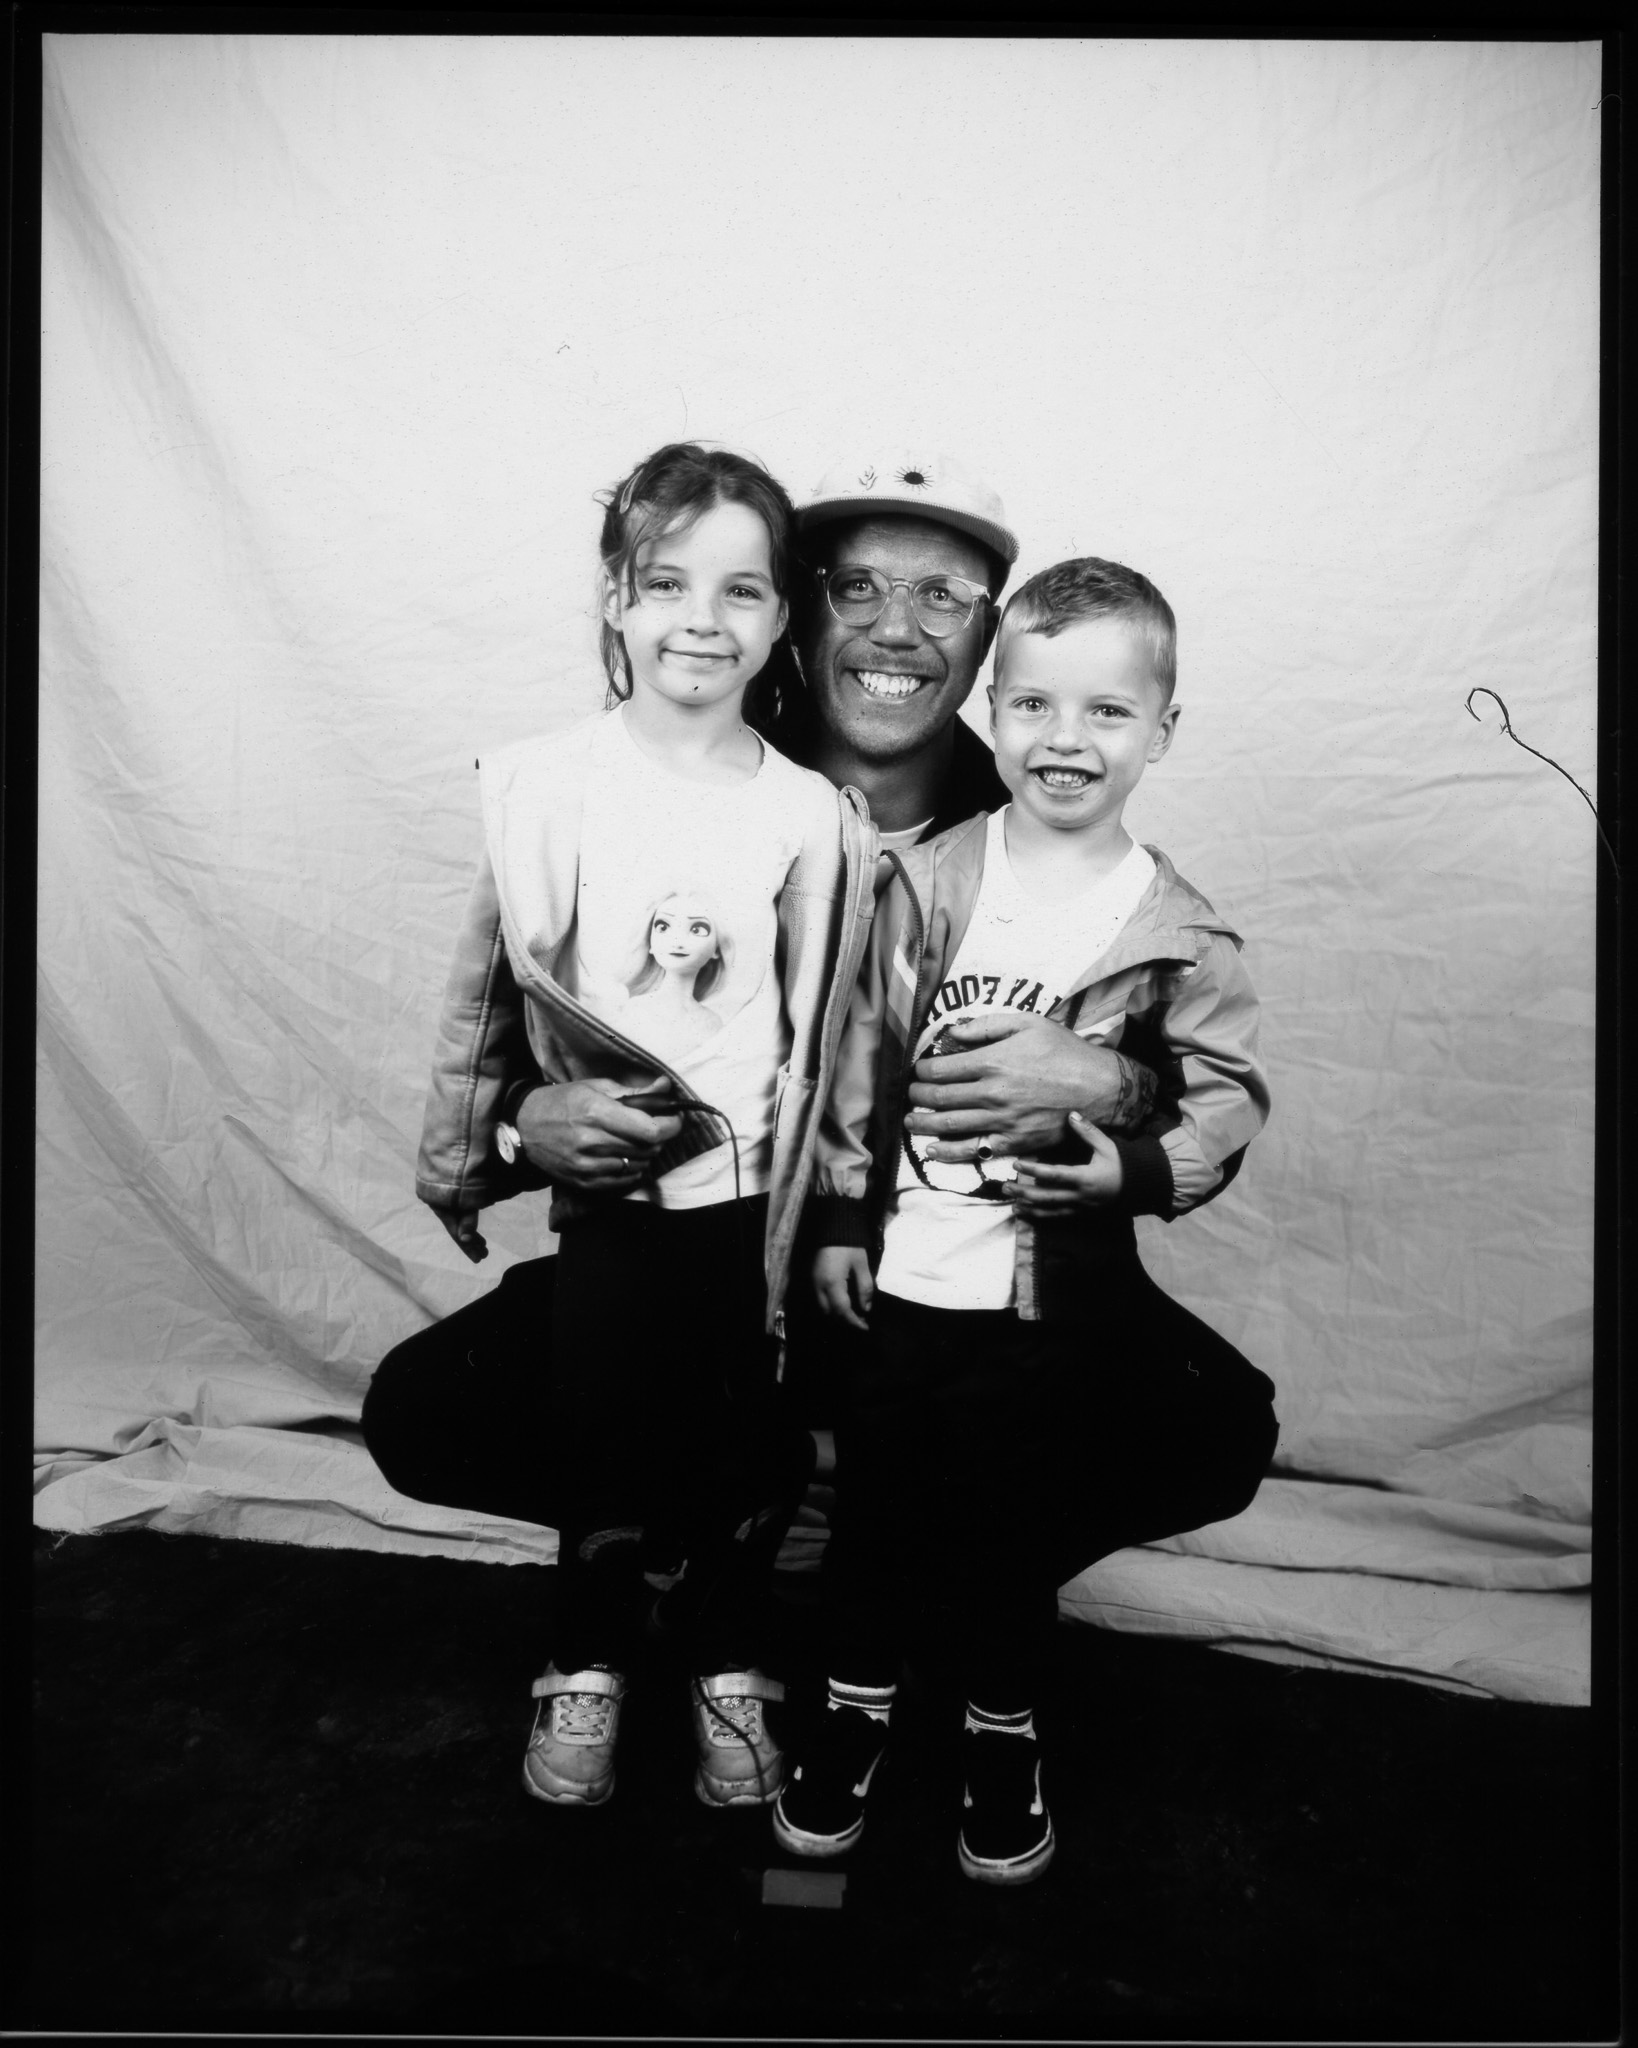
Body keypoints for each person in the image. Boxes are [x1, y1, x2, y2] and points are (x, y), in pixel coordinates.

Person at [360, 453, 1167, 1770]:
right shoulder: (702, 774)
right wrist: (525, 1118)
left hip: (943, 1266)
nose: (897, 628)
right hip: (698, 1242)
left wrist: (1116, 1084)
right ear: (798, 610)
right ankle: (686, 1540)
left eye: (944, 596)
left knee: (1196, 1423)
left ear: (988, 639)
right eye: (856, 586)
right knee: (428, 1407)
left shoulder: (1034, 800)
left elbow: (1165, 1039)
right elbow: (510, 1010)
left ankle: (921, 1551)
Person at [771, 557, 1278, 1885]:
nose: (1067, 740)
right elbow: (858, 1060)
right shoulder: (928, 881)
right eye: (1037, 706)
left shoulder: (1179, 936)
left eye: (1107, 712)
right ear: (990, 714)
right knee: (872, 1522)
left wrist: (1131, 1170)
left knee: (1006, 1534)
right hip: (902, 1285)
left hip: (1048, 1308)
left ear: (1161, 732)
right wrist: (834, 1218)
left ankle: (1005, 1732)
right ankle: (851, 1719)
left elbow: (1222, 1096)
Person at [413, 440, 878, 1811]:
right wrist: (477, 1152)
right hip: (611, 1203)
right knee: (603, 1438)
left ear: (782, 619)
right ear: (616, 599)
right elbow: (481, 1004)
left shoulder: (809, 814)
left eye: (740, 592)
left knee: (745, 1443)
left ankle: (730, 1659)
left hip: (750, 1211)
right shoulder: (544, 785)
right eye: (665, 582)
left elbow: (830, 1036)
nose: (700, 619)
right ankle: (587, 1660)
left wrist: (824, 1200)